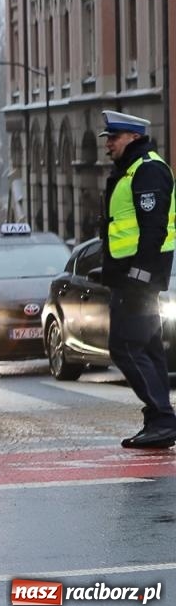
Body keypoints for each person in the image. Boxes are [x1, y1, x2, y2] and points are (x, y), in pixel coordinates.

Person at [95, 110, 176, 449]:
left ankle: (162, 417)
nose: (108, 145)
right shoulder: (131, 171)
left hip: (138, 280)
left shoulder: (148, 171)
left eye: (113, 138)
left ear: (132, 137)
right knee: (147, 348)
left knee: (125, 346)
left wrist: (138, 274)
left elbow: (153, 228)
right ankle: (159, 419)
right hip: (130, 277)